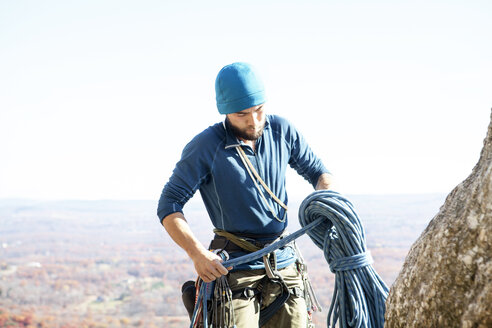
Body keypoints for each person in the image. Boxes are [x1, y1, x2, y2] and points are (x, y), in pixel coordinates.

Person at [157, 62, 333, 328]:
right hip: (234, 267)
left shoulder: (282, 131)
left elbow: (319, 173)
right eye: (242, 114)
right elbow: (169, 205)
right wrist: (198, 254)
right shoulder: (206, 146)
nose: (254, 121)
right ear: (225, 111)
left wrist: (328, 200)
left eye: (259, 110)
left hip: (283, 261)